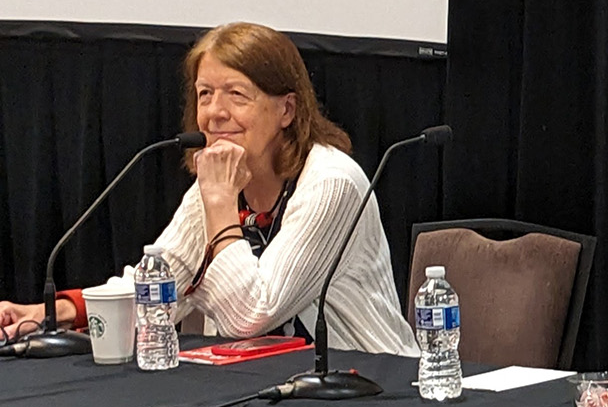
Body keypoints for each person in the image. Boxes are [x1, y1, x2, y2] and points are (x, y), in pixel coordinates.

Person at [0, 22, 418, 356]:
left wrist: (218, 206)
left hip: (368, 384)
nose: (215, 113)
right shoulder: (218, 184)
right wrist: (52, 313)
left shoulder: (332, 183)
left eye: (237, 95)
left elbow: (251, 316)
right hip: (269, 390)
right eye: (204, 95)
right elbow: (159, 287)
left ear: (287, 109)